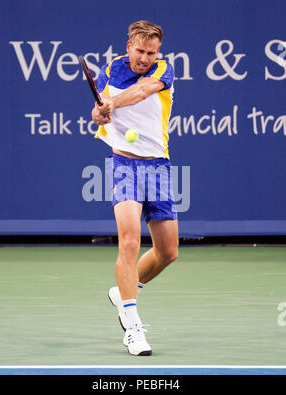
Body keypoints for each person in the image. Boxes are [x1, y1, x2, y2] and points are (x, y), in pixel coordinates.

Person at [91, 20, 179, 356]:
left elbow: (142, 91)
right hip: (124, 164)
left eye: (151, 52)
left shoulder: (163, 69)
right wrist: (100, 114)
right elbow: (98, 112)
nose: (145, 57)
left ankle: (124, 290)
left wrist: (112, 104)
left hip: (157, 165)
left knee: (168, 252)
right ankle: (132, 324)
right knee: (129, 242)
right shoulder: (109, 71)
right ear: (129, 46)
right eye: (140, 50)